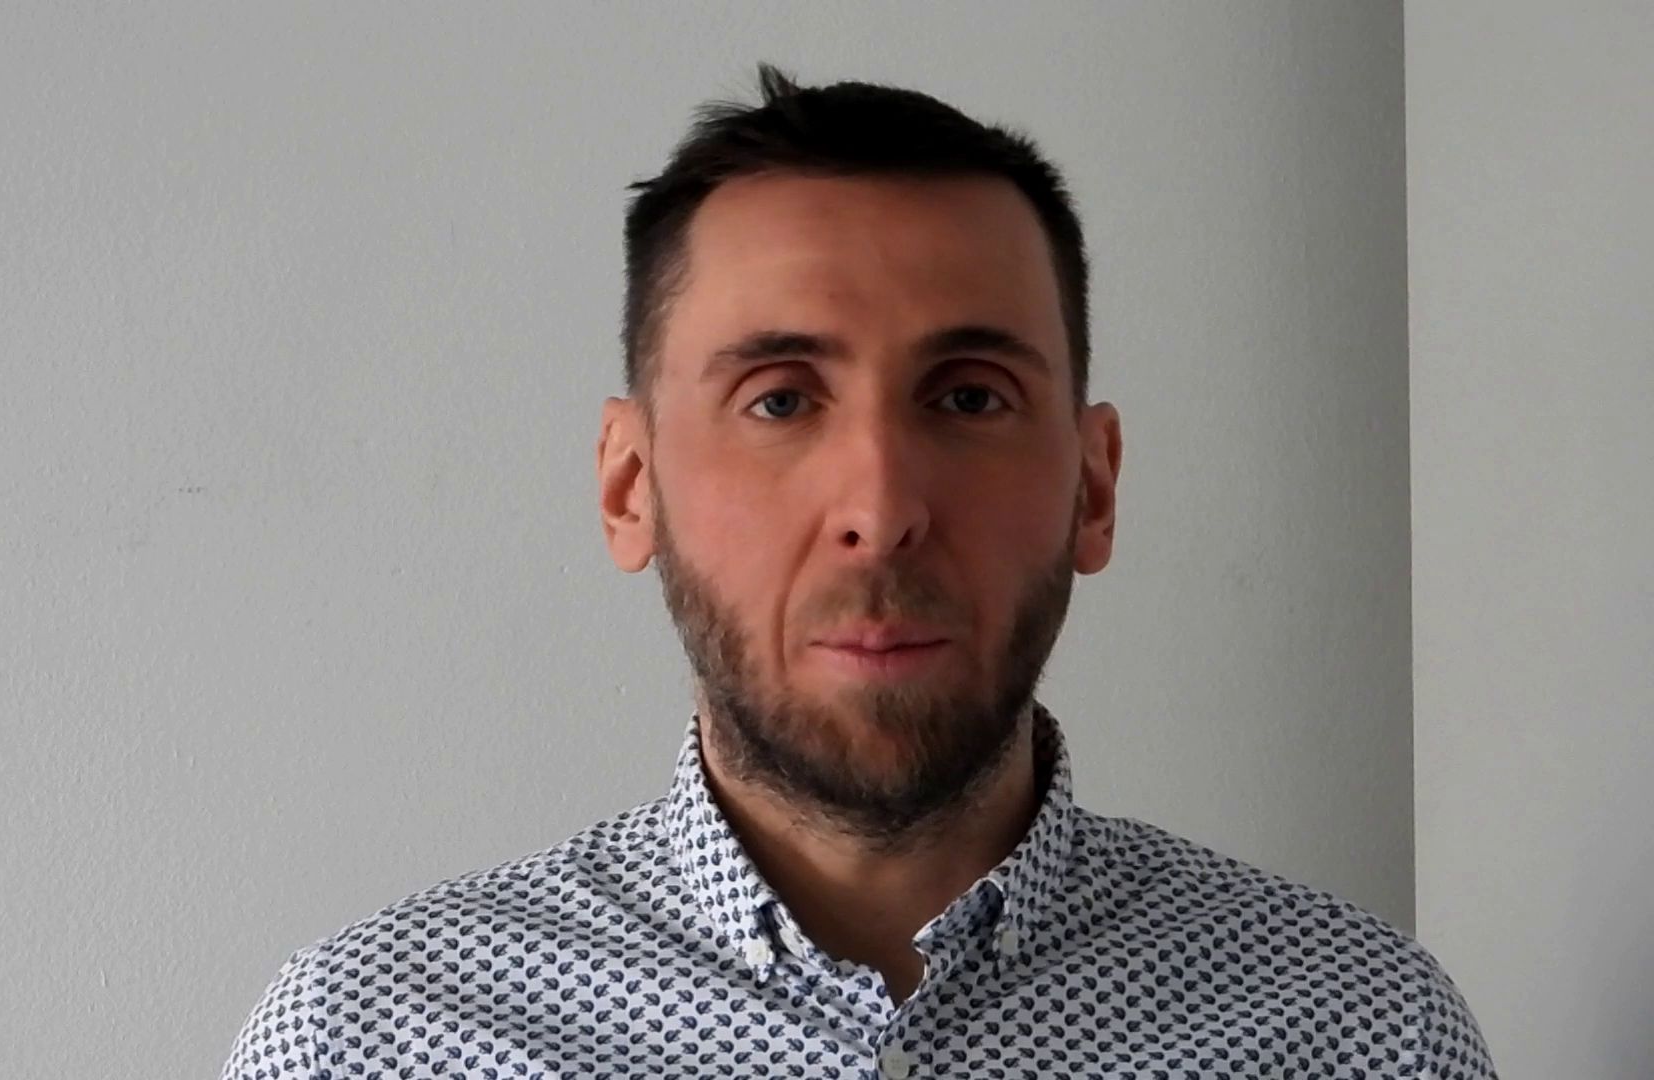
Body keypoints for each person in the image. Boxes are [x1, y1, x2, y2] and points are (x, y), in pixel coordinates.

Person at [222, 64, 1495, 1079]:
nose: (881, 512)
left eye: (970, 397)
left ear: (1094, 486)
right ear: (630, 485)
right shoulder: (370, 1044)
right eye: (779, 401)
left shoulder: (1358, 1035)